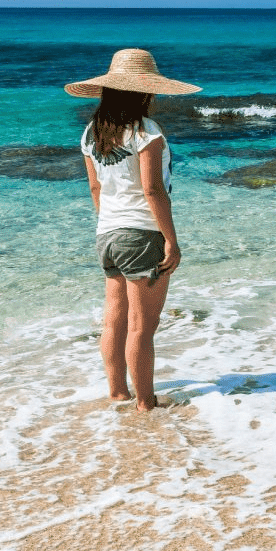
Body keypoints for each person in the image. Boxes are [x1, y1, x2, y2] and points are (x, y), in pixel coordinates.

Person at [66, 49, 201, 412]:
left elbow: (95, 189)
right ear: (144, 92)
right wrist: (171, 241)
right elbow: (153, 190)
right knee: (142, 326)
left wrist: (109, 222)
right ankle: (145, 403)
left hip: (106, 234)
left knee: (114, 320)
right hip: (141, 235)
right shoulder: (146, 131)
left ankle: (117, 392)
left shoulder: (90, 134)